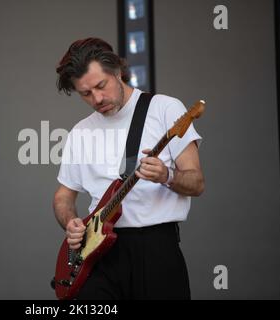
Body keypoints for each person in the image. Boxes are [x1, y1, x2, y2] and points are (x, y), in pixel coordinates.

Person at [53, 37, 204, 300]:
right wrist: (70, 222)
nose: (97, 99)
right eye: (85, 94)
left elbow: (196, 182)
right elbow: (63, 196)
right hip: (97, 253)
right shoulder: (81, 131)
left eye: (101, 86)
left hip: (155, 249)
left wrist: (166, 175)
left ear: (118, 71)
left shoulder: (164, 109)